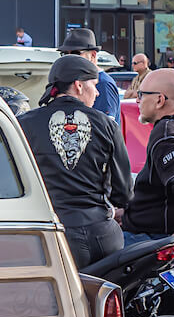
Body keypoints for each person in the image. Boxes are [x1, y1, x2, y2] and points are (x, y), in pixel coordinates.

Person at [18, 54, 132, 269]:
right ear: (79, 85)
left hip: (53, 234)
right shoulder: (106, 124)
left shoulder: (25, 124)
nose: (97, 92)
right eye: (95, 85)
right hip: (102, 233)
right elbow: (124, 192)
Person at [120, 68, 174, 241]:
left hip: (154, 239)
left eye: (141, 94)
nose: (137, 100)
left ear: (159, 100)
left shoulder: (166, 134)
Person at [57, 27, 120, 124]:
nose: (70, 58)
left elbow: (103, 128)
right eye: (65, 53)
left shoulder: (103, 83)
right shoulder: (73, 81)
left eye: (76, 53)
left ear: (93, 55)